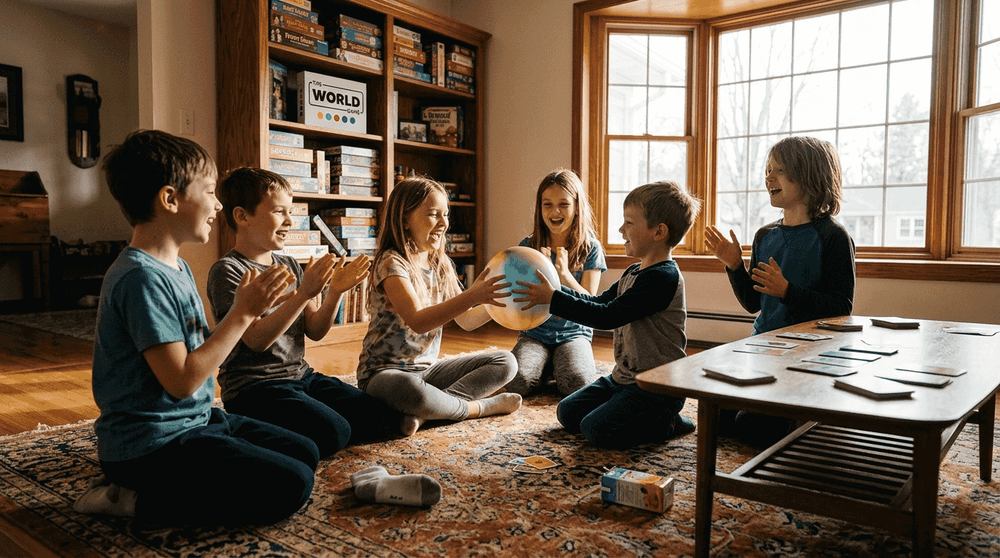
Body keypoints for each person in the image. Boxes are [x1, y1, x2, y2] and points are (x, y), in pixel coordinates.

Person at [74, 130, 319, 525]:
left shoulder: (178, 267)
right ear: (170, 199)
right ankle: (130, 499)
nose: (219, 204)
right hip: (149, 444)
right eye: (208, 191)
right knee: (292, 485)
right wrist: (242, 314)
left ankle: (165, 480)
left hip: (196, 420)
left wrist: (253, 312)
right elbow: (183, 381)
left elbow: (202, 352)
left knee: (306, 451)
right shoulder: (141, 279)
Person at [207, 167, 402, 459]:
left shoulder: (289, 264)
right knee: (335, 432)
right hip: (255, 389)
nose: (290, 220)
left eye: (291, 212)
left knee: (381, 416)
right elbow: (257, 340)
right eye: (279, 212)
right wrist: (304, 294)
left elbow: (316, 330)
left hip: (301, 376)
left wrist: (334, 292)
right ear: (242, 216)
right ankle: (247, 427)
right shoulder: (228, 271)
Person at [513, 181, 701, 449]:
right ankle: (635, 411)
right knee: (567, 412)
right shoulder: (634, 272)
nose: (621, 230)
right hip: (622, 379)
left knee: (595, 429)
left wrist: (553, 299)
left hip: (657, 388)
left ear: (658, 232)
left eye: (629, 223)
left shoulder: (662, 278)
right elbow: (599, 301)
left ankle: (666, 421)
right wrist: (556, 291)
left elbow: (607, 316)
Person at [705, 135, 855, 446]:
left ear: (809, 176)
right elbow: (752, 303)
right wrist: (734, 265)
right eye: (767, 170)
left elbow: (841, 308)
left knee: (749, 425)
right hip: (765, 351)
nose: (768, 178)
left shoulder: (834, 237)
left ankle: (809, 416)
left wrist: (787, 291)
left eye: (779, 170)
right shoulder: (765, 235)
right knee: (715, 419)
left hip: (810, 357)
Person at [356, 177, 521, 437]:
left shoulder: (440, 263)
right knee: (412, 391)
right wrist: (472, 295)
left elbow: (466, 321)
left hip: (428, 370)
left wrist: (499, 302)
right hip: (384, 374)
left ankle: (426, 413)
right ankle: (476, 408)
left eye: (446, 214)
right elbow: (418, 321)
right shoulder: (391, 263)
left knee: (506, 362)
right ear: (404, 219)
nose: (444, 223)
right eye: (434, 214)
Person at [505, 169, 606, 397]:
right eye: (547, 204)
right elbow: (517, 297)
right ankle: (547, 365)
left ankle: (554, 365)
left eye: (564, 204)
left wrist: (564, 276)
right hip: (535, 334)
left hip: (574, 334)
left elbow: (591, 303)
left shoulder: (590, 248)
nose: (555, 212)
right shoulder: (528, 246)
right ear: (539, 208)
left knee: (577, 384)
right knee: (517, 383)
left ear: (577, 207)